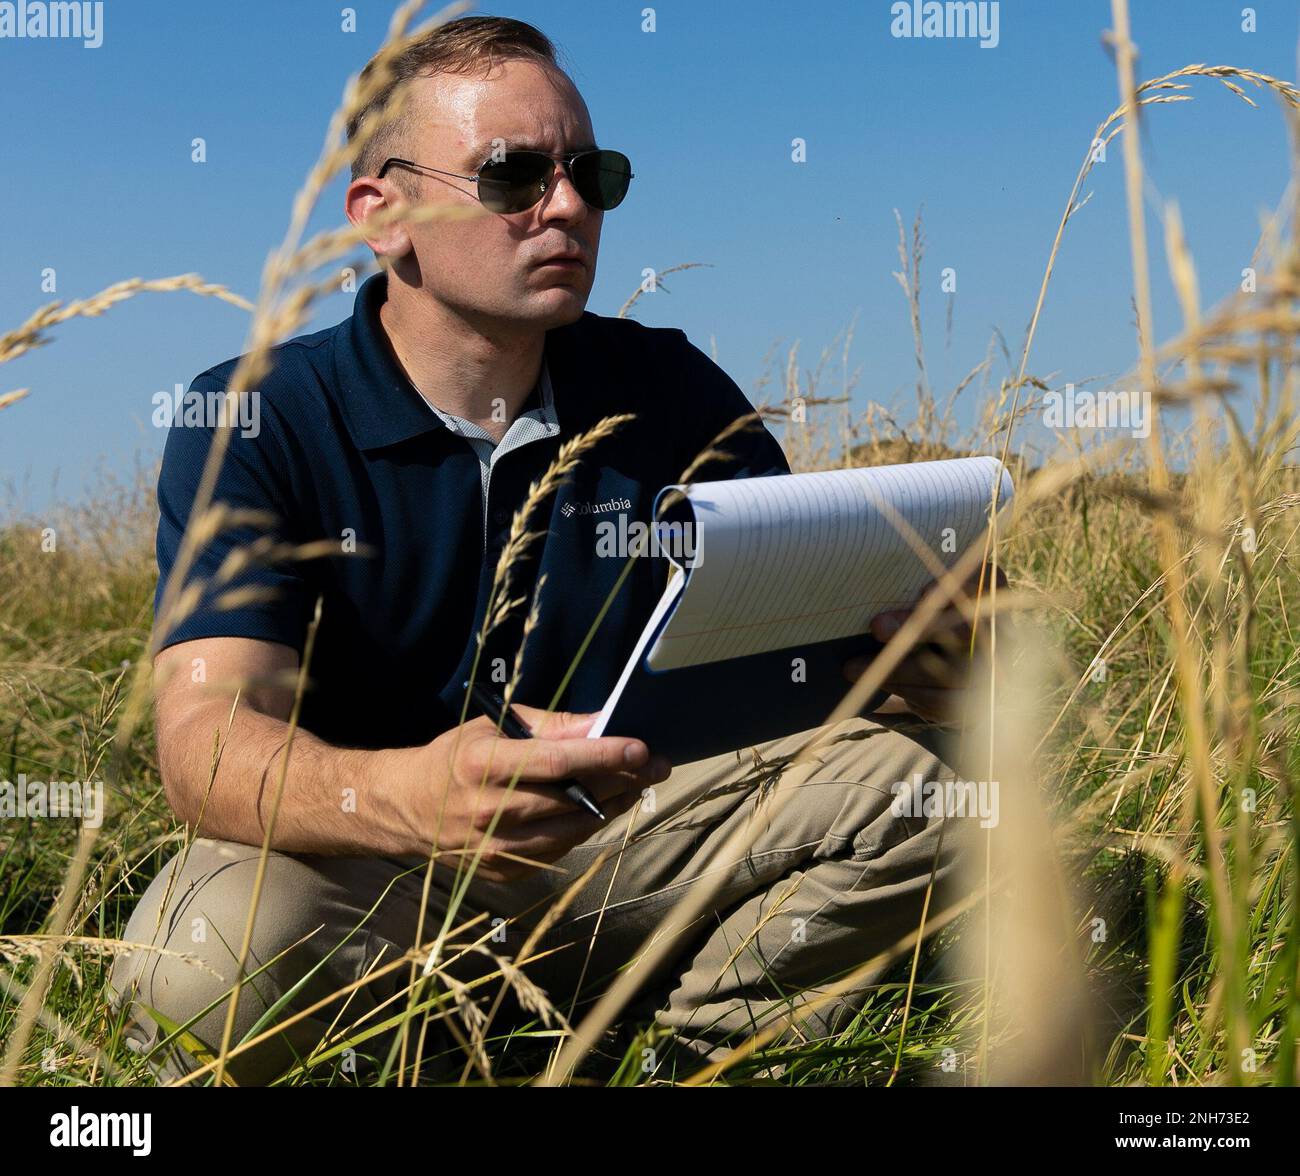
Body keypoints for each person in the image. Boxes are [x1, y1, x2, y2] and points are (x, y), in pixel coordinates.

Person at [109, 15, 981, 1085]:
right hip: (369, 875)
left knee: (942, 786)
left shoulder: (669, 389)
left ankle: (696, 1065)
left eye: (591, 174)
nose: (565, 205)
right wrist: (405, 797)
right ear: (382, 216)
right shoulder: (256, 416)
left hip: (620, 851)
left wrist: (914, 672)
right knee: (196, 956)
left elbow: (783, 678)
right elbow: (203, 742)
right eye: (512, 175)